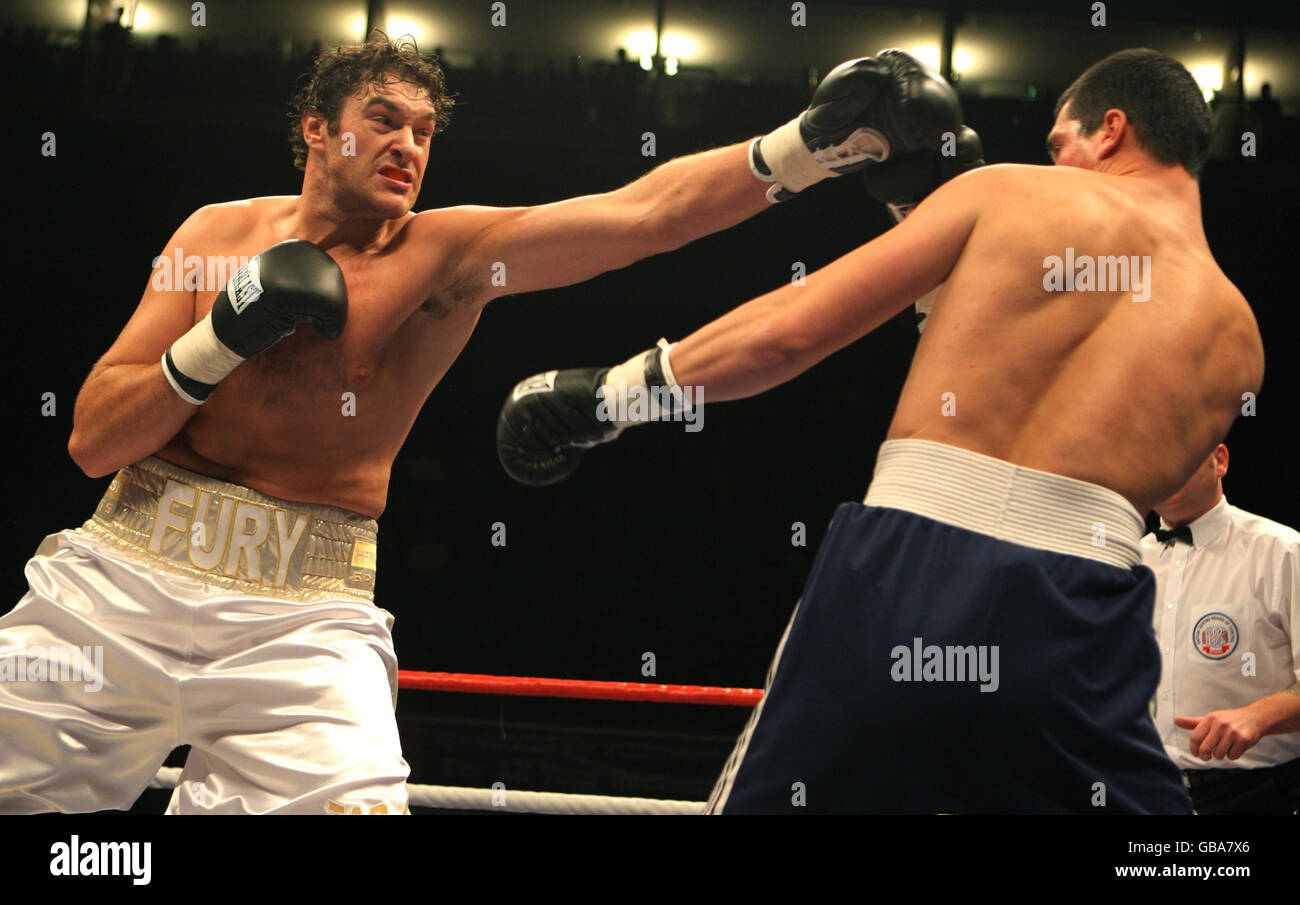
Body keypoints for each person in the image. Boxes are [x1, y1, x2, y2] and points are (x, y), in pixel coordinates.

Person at [0, 34, 957, 814]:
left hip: (301, 622)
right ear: (313, 130)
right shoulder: (212, 236)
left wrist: (809, 145)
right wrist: (216, 341)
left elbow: (642, 216)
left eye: (423, 130)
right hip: (118, 581)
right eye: (383, 120)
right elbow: (93, 438)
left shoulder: (448, 260)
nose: (408, 145)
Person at [495, 48, 1265, 813]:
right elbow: (1095, 458)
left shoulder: (1013, 194)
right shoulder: (1239, 338)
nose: (1052, 159)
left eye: (1060, 142)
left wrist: (608, 397)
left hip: (905, 574)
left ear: (1111, 130)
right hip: (1084, 619)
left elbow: (790, 333)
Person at [1143, 443, 1300, 814]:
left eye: (1180, 451)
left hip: (1259, 796)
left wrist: (1258, 716)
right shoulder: (1130, 562)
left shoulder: (1283, 553)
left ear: (1221, 460)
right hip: (1148, 794)